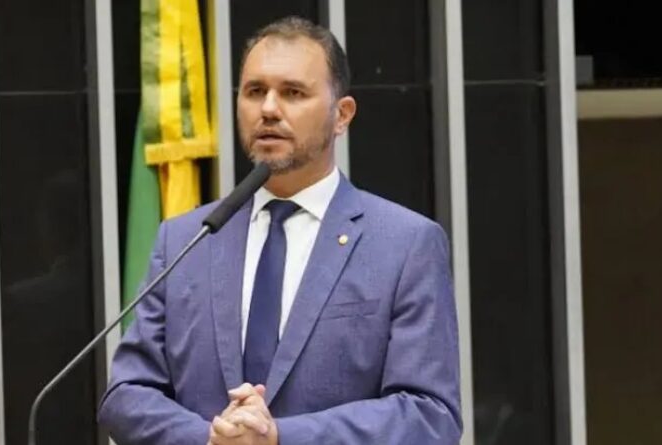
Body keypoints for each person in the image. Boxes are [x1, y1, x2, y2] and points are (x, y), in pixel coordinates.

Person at [98, 16, 462, 445]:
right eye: (255, 91)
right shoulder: (186, 239)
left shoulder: (404, 244)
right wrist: (213, 439)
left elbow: (429, 414)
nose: (268, 109)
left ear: (342, 115)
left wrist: (279, 437)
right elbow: (127, 394)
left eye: (293, 93)